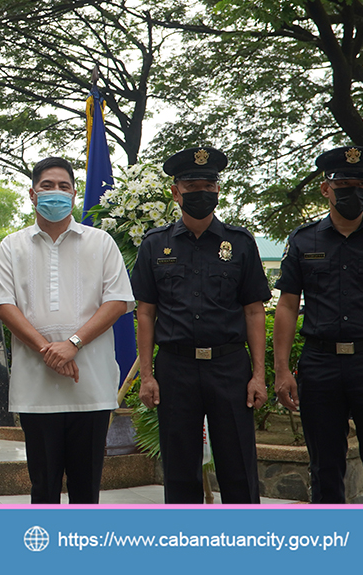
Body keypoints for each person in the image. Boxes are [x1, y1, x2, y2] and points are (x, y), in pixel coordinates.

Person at [273, 146, 363, 504]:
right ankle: (334, 544)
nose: (353, 192)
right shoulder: (302, 241)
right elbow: (288, 306)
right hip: (320, 364)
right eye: (344, 185)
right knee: (324, 467)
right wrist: (281, 371)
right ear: (326, 189)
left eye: (361, 185)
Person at [0, 156, 134, 504]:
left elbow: (117, 301)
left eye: (64, 186)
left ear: (74, 194)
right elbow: (4, 306)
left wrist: (72, 343)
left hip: (91, 385)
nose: (55, 193)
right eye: (47, 186)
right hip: (36, 390)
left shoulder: (101, 243)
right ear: (31, 194)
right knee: (43, 488)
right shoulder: (13, 245)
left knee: (87, 489)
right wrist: (49, 350)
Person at [131, 147, 271, 504]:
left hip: (229, 367)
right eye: (192, 186)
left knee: (238, 465)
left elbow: (255, 312)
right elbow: (145, 313)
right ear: (176, 192)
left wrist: (258, 375)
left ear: (218, 189)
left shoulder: (240, 244)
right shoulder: (154, 245)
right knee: (179, 470)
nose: (201, 192)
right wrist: (147, 376)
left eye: (209, 184)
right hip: (175, 367)